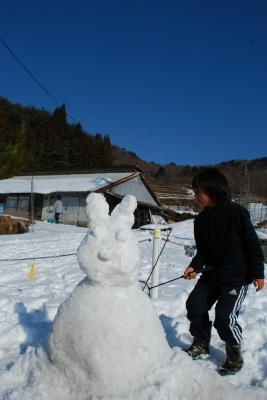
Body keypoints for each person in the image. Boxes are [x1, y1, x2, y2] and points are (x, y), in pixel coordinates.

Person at [183, 167, 264, 376]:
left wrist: (257, 273)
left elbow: (252, 246)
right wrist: (194, 267)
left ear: (214, 188)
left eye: (198, 191)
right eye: (194, 191)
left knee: (224, 317)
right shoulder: (200, 221)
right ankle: (201, 344)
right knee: (195, 304)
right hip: (211, 278)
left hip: (235, 280)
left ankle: (234, 358)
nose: (196, 196)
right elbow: (203, 253)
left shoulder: (236, 213)